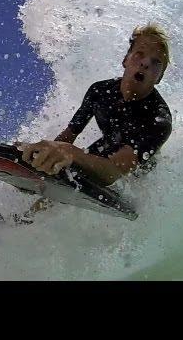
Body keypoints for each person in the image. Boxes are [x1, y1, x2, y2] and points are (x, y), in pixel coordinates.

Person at [14, 23, 173, 220]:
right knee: (65, 171)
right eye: (139, 54)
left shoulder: (159, 119)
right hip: (107, 147)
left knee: (77, 164)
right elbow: (68, 135)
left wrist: (70, 153)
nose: (145, 64)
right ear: (126, 60)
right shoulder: (99, 92)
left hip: (136, 169)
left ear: (159, 78)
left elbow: (115, 171)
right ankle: (21, 221)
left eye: (156, 63)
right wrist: (48, 157)